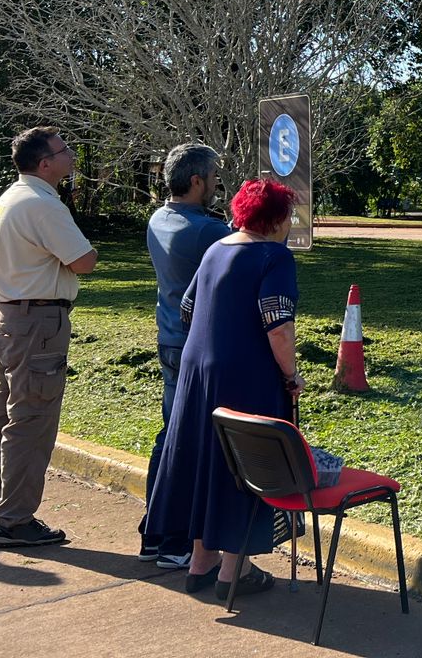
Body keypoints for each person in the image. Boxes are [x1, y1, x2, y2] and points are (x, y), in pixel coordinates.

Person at [144, 178, 304, 600]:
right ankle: (235, 570)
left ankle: (201, 562)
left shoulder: (217, 249)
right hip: (245, 374)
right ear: (277, 219)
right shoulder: (274, 256)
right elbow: (279, 326)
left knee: (207, 460)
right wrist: (291, 375)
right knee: (246, 463)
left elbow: (188, 308)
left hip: (198, 372)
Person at [0, 126, 97, 548]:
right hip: (37, 323)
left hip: (7, 318)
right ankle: (15, 520)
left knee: (2, 414)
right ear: (45, 163)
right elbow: (83, 260)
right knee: (31, 422)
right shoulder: (42, 204)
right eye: (64, 150)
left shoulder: (10, 198)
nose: (71, 155)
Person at [137, 143, 229, 566]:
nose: (216, 185)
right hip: (196, 347)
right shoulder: (207, 231)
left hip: (169, 339)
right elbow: (249, 247)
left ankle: (154, 533)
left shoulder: (159, 218)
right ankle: (175, 540)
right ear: (196, 181)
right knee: (189, 442)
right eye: (213, 178)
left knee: (169, 435)